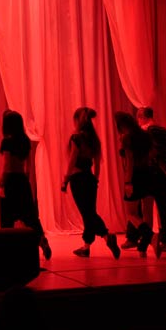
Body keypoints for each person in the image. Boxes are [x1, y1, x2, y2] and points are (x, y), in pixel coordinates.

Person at [122, 107, 166, 252]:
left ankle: (142, 239)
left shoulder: (142, 132)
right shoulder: (164, 131)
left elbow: (136, 156)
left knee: (144, 209)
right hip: (163, 175)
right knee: (165, 208)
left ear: (141, 117)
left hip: (147, 173)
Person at [63, 107, 120, 259]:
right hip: (90, 178)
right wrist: (96, 178)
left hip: (78, 179)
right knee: (89, 213)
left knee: (87, 213)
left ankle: (106, 236)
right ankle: (87, 246)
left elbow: (72, 160)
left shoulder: (76, 138)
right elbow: (97, 162)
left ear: (77, 120)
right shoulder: (94, 139)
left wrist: (65, 179)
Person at [0, 110, 52, 260]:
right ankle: (42, 239)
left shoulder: (7, 141)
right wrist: (25, 181)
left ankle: (7, 251)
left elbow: (7, 165)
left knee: (7, 218)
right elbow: (28, 166)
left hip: (10, 180)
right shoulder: (25, 141)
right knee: (30, 216)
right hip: (22, 180)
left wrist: (2, 184)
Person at [114, 111, 160, 258]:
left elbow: (129, 161)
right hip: (149, 174)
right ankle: (143, 248)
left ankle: (151, 236)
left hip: (135, 175)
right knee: (147, 214)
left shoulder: (127, 138)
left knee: (131, 213)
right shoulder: (146, 135)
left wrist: (128, 181)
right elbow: (152, 154)